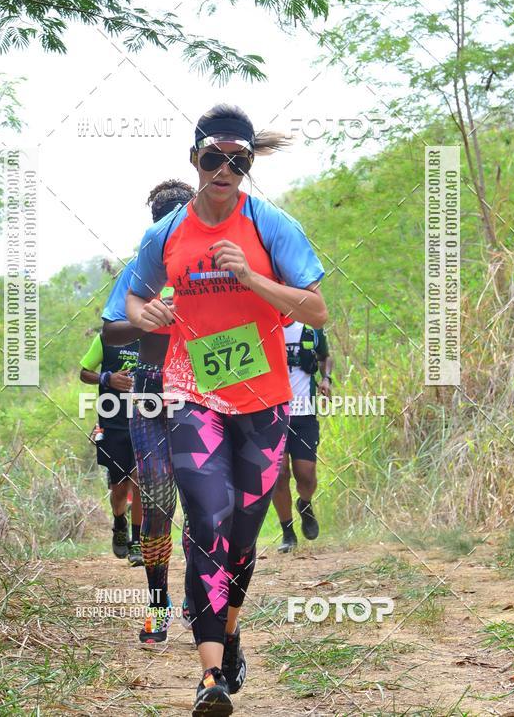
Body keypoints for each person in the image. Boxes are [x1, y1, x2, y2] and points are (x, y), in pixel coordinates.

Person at [125, 104, 328, 716]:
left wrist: (252, 278)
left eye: (237, 161)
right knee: (207, 518)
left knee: (242, 533)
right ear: (194, 159)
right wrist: (146, 314)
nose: (224, 169)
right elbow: (132, 299)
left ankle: (230, 632)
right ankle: (210, 675)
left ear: (248, 165)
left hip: (264, 400)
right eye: (213, 157)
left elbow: (316, 309)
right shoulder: (166, 233)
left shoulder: (270, 225)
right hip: (193, 394)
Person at [102, 179, 196, 643]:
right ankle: (158, 607)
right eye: (165, 219)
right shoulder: (141, 271)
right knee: (157, 503)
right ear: (154, 225)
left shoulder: (208, 265)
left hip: (201, 391)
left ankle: (198, 601)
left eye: (182, 215)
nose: (173, 226)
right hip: (150, 392)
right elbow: (110, 332)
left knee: (202, 502)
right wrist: (145, 318)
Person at [79, 333, 143, 564]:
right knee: (119, 488)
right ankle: (119, 523)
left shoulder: (150, 338)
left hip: (145, 420)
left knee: (140, 481)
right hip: (113, 423)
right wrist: (107, 379)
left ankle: (137, 541)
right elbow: (84, 373)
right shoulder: (105, 339)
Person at [272, 321, 332, 553]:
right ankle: (287, 532)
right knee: (279, 475)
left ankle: (304, 504)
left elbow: (325, 356)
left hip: (304, 413)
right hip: (272, 413)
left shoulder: (310, 328)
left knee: (306, 476)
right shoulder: (264, 324)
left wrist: (326, 378)